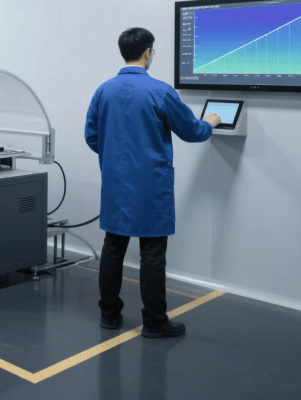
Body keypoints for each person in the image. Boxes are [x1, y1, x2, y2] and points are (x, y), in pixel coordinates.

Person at [84, 27, 221, 338]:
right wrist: (209, 123)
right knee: (152, 252)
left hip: (115, 184)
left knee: (113, 247)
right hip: (151, 185)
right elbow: (192, 132)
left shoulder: (104, 90)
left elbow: (92, 136)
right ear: (147, 52)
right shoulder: (160, 91)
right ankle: (155, 322)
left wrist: (115, 158)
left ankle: (109, 315)